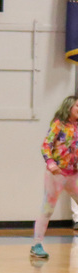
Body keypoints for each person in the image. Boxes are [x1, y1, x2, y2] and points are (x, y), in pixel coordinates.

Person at [31, 95, 78, 260]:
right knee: (48, 208)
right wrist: (50, 162)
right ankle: (37, 244)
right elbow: (46, 145)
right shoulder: (59, 124)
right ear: (69, 107)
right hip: (57, 173)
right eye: (77, 106)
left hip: (74, 174)